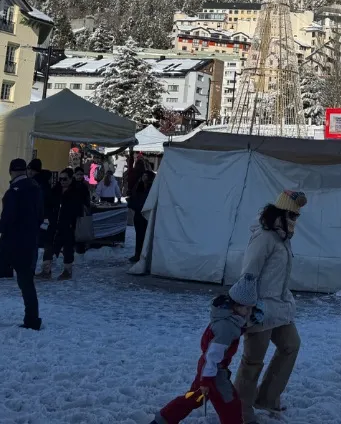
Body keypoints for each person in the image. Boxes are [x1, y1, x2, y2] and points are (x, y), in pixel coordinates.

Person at [233, 189, 308, 422]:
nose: (295, 220)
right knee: (252, 361)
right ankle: (240, 410)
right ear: (281, 213)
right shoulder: (265, 237)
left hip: (279, 307)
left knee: (291, 345)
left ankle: (266, 397)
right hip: (259, 308)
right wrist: (245, 304)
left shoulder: (282, 237)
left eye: (297, 216)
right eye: (292, 215)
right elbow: (249, 271)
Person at [150, 274, 262, 424]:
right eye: (247, 308)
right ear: (236, 305)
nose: (249, 312)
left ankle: (162, 420)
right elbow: (214, 355)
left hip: (206, 367)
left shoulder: (226, 316)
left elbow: (236, 327)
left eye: (251, 308)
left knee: (194, 398)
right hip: (214, 371)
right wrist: (207, 379)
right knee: (230, 404)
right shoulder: (226, 327)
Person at [0, 158, 44, 331]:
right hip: (29, 243)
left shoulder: (13, 192)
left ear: (10, 172)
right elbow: (40, 215)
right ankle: (32, 319)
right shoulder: (36, 189)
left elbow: (8, 220)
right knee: (26, 281)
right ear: (25, 170)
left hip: (10, 244)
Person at [39, 169, 87, 280]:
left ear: (70, 179)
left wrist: (70, 220)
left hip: (68, 224)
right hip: (54, 223)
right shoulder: (56, 190)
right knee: (49, 245)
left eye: (65, 179)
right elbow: (49, 204)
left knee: (67, 248)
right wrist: (50, 215)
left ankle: (67, 271)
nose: (62, 181)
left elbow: (78, 209)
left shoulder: (76, 192)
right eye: (60, 179)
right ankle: (46, 270)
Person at [128, 169, 155, 264]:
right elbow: (134, 197)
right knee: (139, 236)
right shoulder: (139, 186)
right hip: (138, 214)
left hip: (146, 215)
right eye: (143, 175)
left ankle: (144, 255)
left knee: (146, 236)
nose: (144, 177)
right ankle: (138, 254)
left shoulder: (151, 188)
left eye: (146, 175)